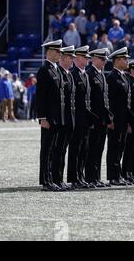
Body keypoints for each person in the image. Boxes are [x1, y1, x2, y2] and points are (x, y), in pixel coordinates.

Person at [36, 40, 64, 191]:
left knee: (53, 149)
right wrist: (42, 117)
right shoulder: (44, 70)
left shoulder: (56, 70)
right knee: (46, 149)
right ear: (49, 52)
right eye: (57, 51)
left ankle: (52, 179)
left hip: (57, 117)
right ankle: (46, 181)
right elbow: (40, 97)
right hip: (48, 117)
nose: (60, 54)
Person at [68, 45, 95, 189]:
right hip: (77, 118)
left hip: (86, 119)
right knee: (75, 149)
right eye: (85, 57)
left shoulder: (85, 74)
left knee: (84, 149)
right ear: (77, 58)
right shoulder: (73, 74)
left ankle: (80, 176)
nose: (87, 59)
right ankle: (74, 178)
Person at [85, 48, 112, 188]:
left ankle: (96, 177)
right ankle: (90, 177)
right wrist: (91, 119)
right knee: (92, 149)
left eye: (105, 60)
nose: (104, 62)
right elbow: (88, 99)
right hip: (94, 119)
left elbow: (105, 99)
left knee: (99, 149)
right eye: (102, 59)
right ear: (94, 59)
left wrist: (108, 118)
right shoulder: (90, 74)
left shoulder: (101, 75)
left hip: (102, 119)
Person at [106, 47, 132, 186]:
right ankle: (113, 176)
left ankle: (118, 174)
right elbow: (109, 100)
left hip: (123, 120)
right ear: (117, 60)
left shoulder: (123, 76)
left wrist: (128, 121)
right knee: (114, 147)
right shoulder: (112, 77)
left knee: (120, 146)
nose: (127, 61)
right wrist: (109, 119)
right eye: (125, 59)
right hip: (115, 120)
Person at [51, 46, 76, 191]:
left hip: (68, 119)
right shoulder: (59, 73)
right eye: (70, 57)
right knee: (58, 150)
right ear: (63, 58)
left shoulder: (68, 74)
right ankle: (56, 178)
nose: (72, 60)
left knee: (62, 150)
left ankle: (59, 179)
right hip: (61, 118)